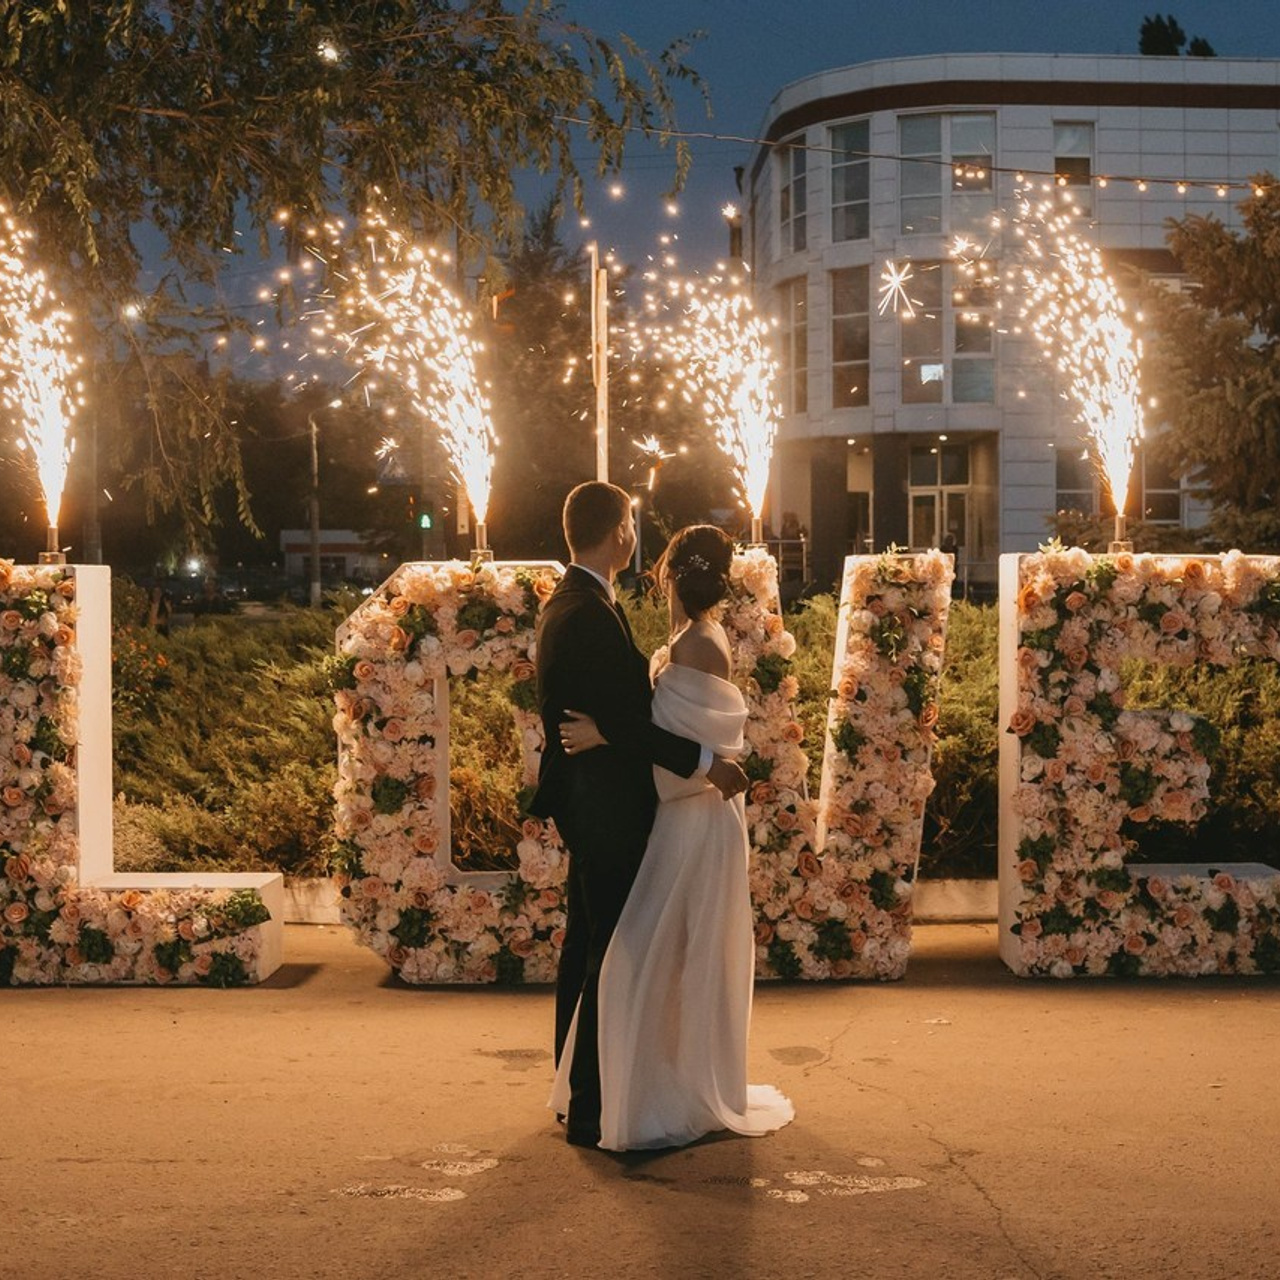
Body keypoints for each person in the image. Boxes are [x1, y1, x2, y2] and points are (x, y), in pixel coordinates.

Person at [549, 524, 795, 1151]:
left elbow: (684, 756)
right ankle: (628, 1085)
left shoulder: (695, 647)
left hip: (692, 821)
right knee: (657, 954)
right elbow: (676, 740)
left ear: (667, 575)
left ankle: (659, 1089)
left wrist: (607, 733)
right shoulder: (689, 639)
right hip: (684, 817)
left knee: (654, 953)